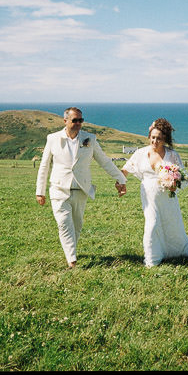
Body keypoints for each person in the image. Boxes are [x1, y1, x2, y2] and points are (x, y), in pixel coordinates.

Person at [36, 107, 127, 269]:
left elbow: (104, 161)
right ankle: (72, 261)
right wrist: (40, 191)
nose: (78, 123)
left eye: (80, 120)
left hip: (81, 189)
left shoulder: (90, 139)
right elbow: (44, 166)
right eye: (74, 120)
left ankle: (71, 251)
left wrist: (120, 179)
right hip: (58, 189)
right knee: (64, 223)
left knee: (76, 225)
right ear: (65, 121)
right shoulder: (53, 139)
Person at [121, 118, 188, 267]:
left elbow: (181, 175)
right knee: (152, 223)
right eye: (153, 137)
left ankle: (177, 251)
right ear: (149, 137)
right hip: (148, 195)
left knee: (172, 223)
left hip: (167, 196)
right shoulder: (140, 153)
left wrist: (174, 184)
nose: (155, 141)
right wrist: (121, 184)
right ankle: (152, 259)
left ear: (165, 139)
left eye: (159, 138)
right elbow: (126, 169)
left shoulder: (172, 155)